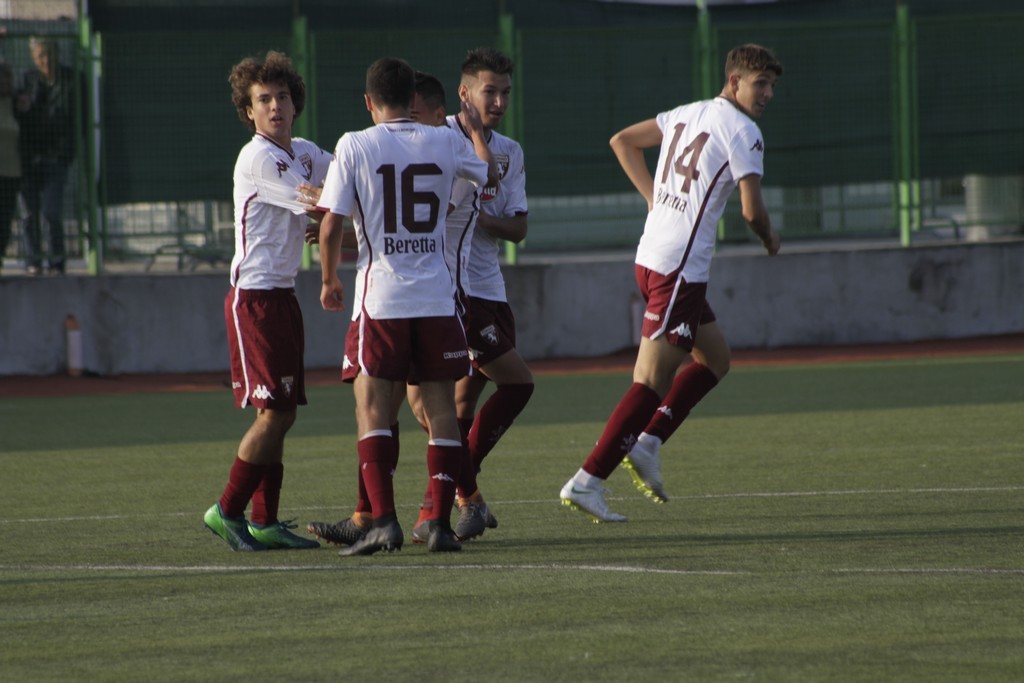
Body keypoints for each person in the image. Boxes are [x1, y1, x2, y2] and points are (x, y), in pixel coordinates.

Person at [559, 43, 783, 522]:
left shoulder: (686, 112)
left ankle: (648, 442)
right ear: (734, 81)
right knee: (649, 383)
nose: (766, 93)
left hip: (653, 257)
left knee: (716, 359)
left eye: (771, 85)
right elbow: (752, 211)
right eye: (759, 83)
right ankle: (588, 480)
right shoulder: (744, 130)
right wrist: (770, 238)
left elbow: (622, 141)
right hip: (680, 268)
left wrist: (654, 199)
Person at [305, 70, 497, 548]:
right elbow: (487, 173)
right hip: (436, 298)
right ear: (412, 98)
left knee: (372, 407)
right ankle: (440, 525)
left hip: (383, 297)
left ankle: (383, 521)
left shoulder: (355, 143)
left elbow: (330, 224)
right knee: (441, 409)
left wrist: (329, 280)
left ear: (369, 101)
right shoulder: (443, 140)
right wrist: (475, 131)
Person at [202, 50, 331, 551]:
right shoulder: (258, 157)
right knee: (274, 412)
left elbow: (345, 177)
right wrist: (348, 205)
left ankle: (264, 521)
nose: (275, 106)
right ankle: (227, 510)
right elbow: (320, 199)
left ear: (295, 103)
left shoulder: (304, 151)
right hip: (254, 300)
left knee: (282, 411)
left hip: (282, 296)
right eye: (263, 100)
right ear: (248, 110)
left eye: (282, 96)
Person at [448, 47, 534, 539]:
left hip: (492, 291)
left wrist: (480, 217)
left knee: (462, 407)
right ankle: (467, 493)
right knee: (518, 385)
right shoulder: (441, 140)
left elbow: (519, 228)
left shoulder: (510, 151)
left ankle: (449, 500)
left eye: (505, 92)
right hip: (455, 292)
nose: (499, 101)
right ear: (464, 93)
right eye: (489, 91)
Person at [14, 36, 75, 275]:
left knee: (51, 212)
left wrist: (66, 154)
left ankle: (56, 261)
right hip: (29, 158)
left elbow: (78, 118)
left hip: (56, 157)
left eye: (50, 54)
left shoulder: (71, 80)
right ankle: (33, 261)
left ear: (58, 54)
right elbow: (17, 113)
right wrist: (25, 107)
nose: (46, 60)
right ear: (34, 57)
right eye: (41, 55)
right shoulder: (26, 81)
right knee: (29, 213)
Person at [0, 61, 20, 273]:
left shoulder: (16, 102)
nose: (4, 84)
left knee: (5, 217)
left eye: (7, 80)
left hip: (12, 171)